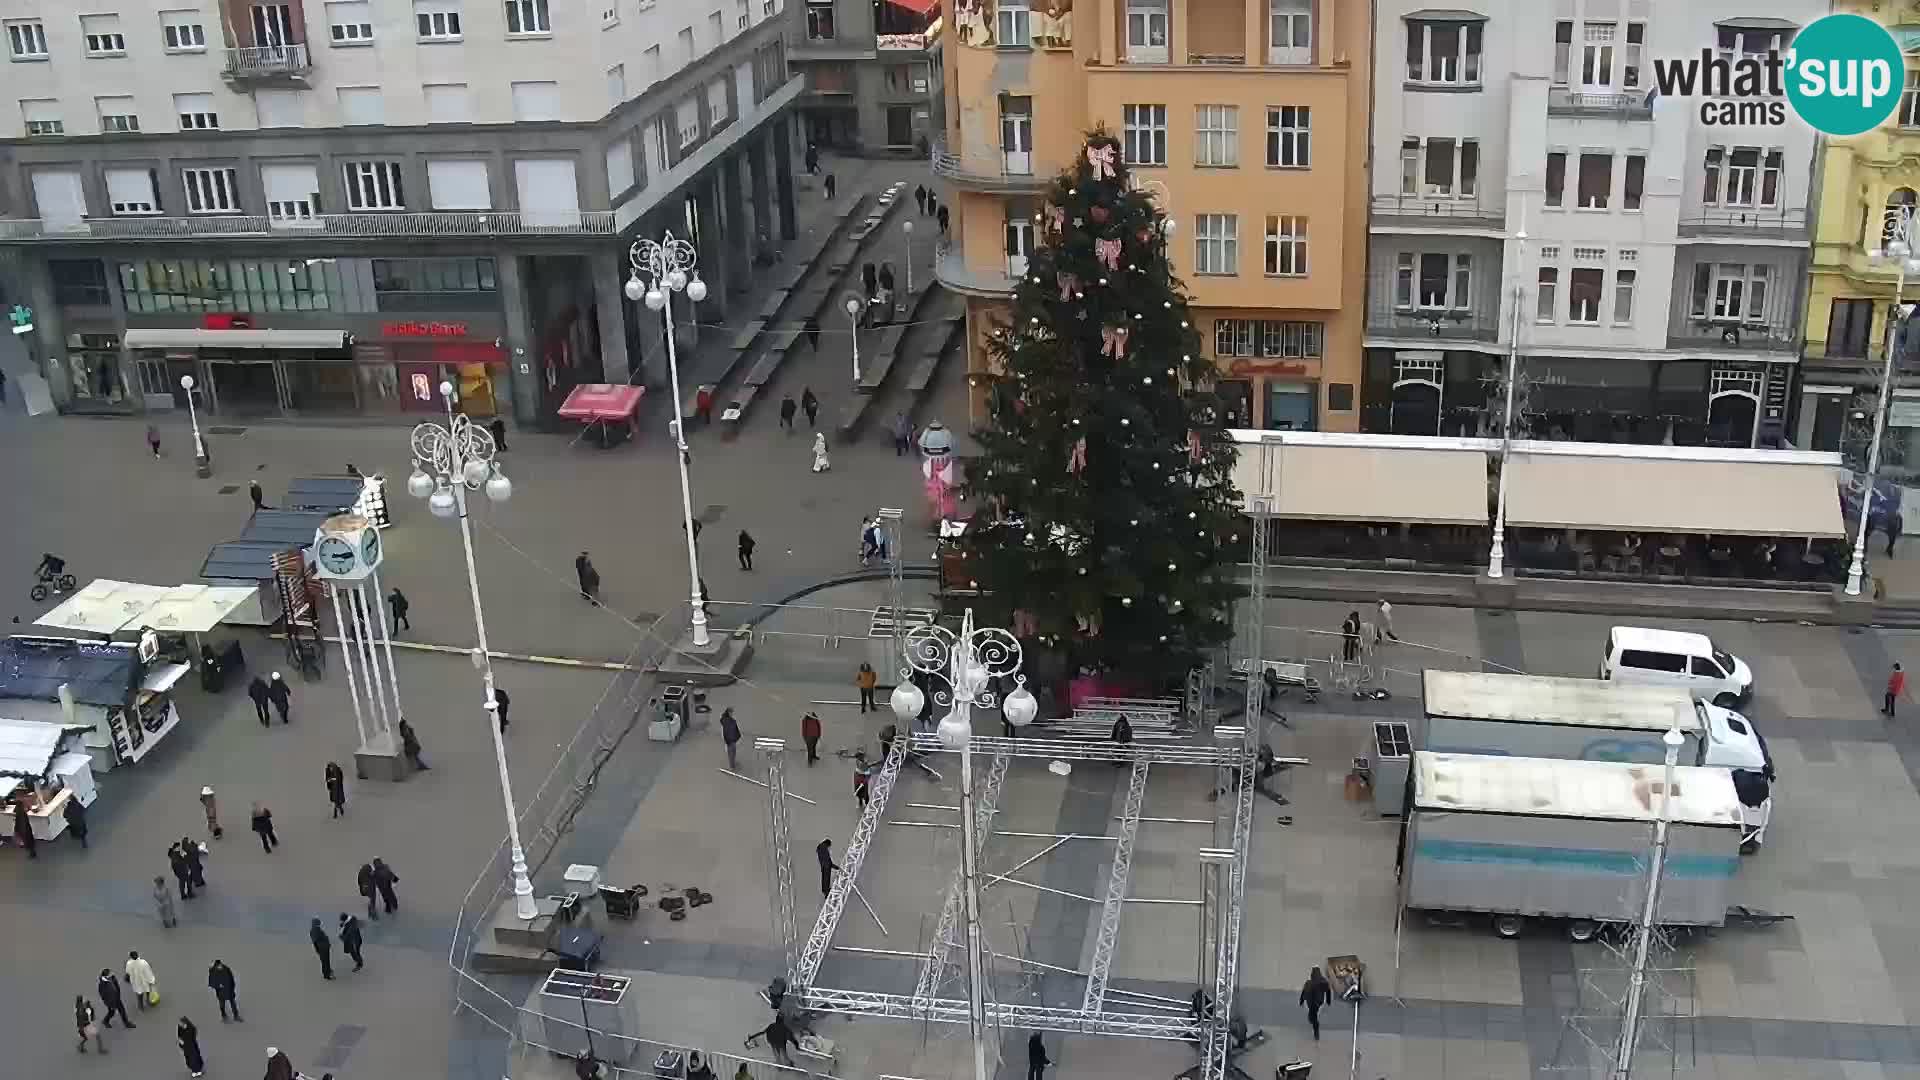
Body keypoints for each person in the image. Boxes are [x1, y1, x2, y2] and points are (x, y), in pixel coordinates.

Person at [1299, 965, 1332, 1040]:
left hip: (1313, 1002)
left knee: (1313, 1017)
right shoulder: (1322, 982)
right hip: (1317, 1002)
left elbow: (1304, 992)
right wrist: (1328, 1000)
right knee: (1313, 1016)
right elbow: (1328, 990)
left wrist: (1301, 1000)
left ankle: (1316, 1031)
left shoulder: (1309, 983)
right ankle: (1316, 1030)